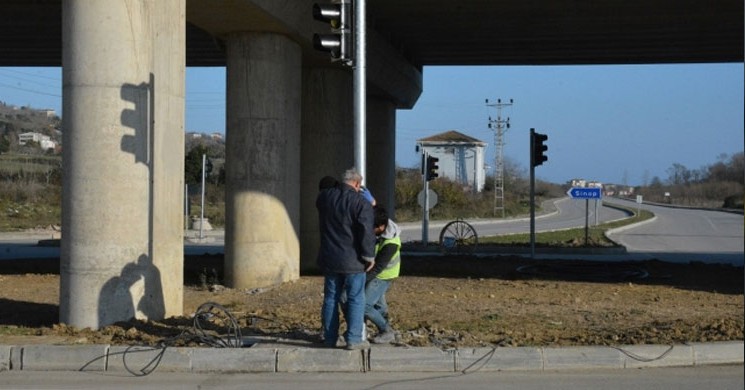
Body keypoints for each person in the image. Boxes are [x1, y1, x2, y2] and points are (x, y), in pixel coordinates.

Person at [316, 168, 376, 350]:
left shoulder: (324, 198)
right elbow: (366, 232)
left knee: (331, 297)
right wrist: (369, 256)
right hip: (354, 260)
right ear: (357, 184)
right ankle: (353, 339)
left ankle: (329, 337)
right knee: (356, 298)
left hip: (330, 257)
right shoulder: (360, 203)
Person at [364, 205, 401, 344]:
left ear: (381, 226)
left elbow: (377, 268)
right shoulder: (382, 232)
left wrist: (362, 280)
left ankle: (386, 330)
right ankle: (385, 329)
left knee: (365, 306)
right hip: (380, 273)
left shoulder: (391, 243)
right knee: (380, 306)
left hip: (383, 275)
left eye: (371, 227)